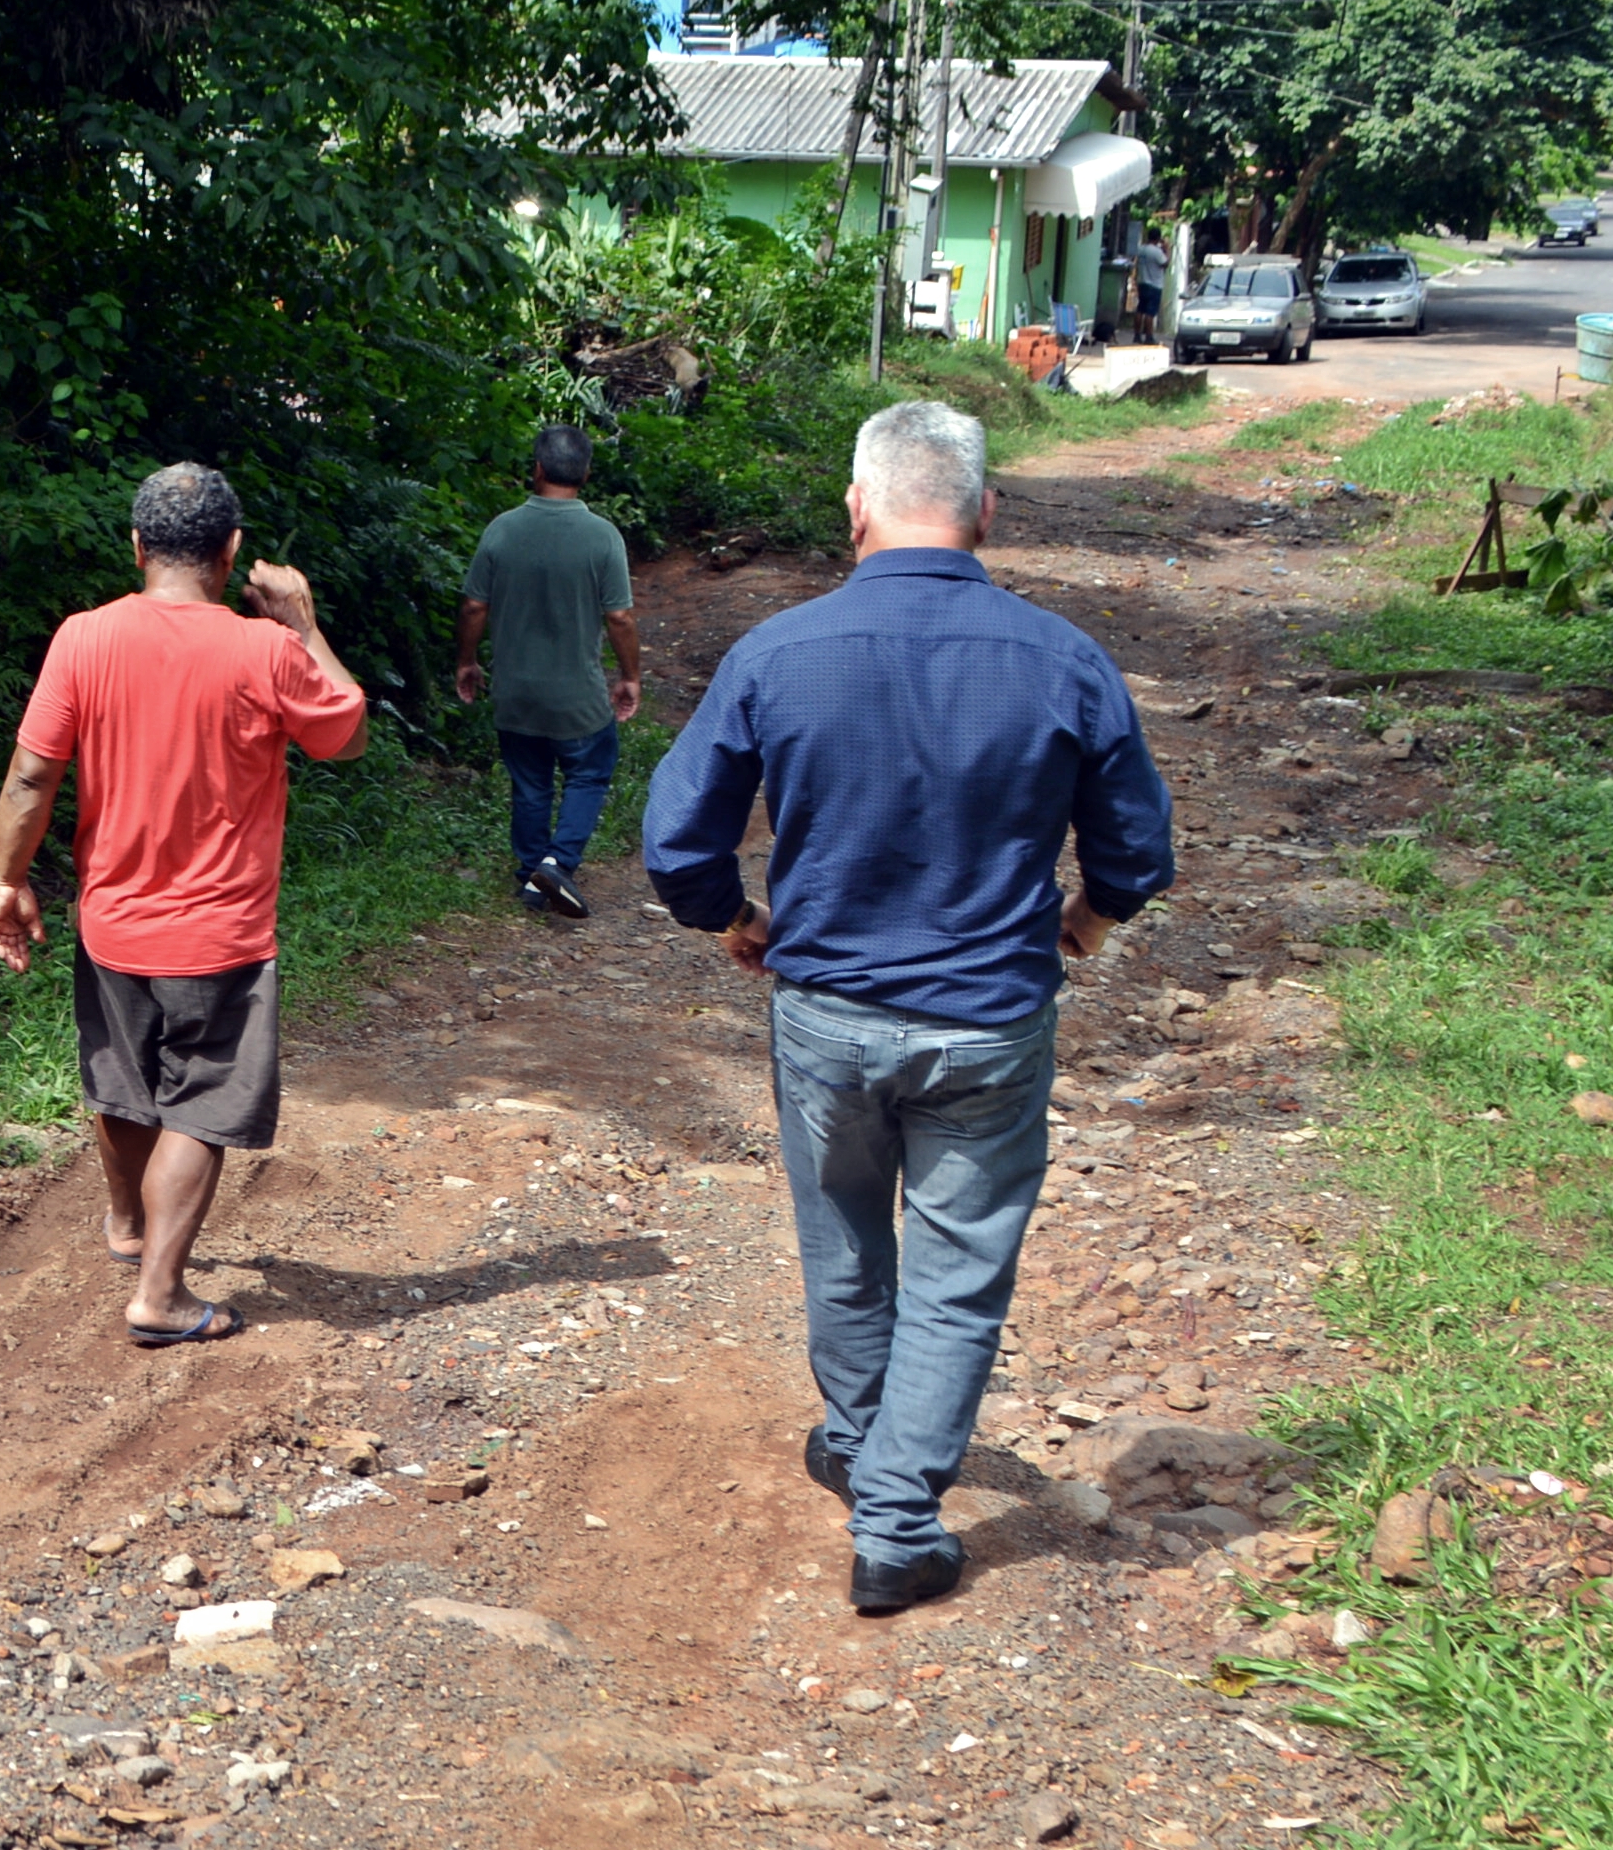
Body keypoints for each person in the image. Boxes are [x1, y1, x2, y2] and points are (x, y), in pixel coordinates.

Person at [641, 401, 1174, 1614]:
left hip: (826, 1011)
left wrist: (728, 914)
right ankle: (893, 1512)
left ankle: (859, 1445)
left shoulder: (778, 652)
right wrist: (1083, 923)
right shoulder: (1062, 657)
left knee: (842, 1238)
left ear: (854, 507)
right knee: (954, 1267)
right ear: (986, 513)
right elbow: (1135, 845)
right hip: (989, 1019)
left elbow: (678, 836)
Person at [0, 463, 369, 1346]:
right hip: (220, 931)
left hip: (111, 919)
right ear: (230, 554)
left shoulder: (82, 637)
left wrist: (9, 880)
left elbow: (33, 773)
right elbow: (344, 733)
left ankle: (126, 1226)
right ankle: (159, 1296)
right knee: (200, 1103)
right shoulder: (264, 650)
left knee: (122, 1081)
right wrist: (303, 625)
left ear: (137, 546)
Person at [454, 423, 641, 919]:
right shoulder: (603, 536)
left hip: (515, 695)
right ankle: (558, 862)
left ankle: (532, 877)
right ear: (586, 473)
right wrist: (630, 676)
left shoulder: (502, 529)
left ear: (536, 469)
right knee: (591, 769)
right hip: (575, 697)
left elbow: (474, 606)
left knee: (530, 782)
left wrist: (467, 661)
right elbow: (619, 617)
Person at [1134, 227, 1169, 334]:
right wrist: (1167, 250)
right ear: (1158, 238)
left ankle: (1137, 334)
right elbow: (1165, 264)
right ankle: (1149, 335)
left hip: (1142, 282)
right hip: (1154, 285)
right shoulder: (1157, 252)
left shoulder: (1141, 249)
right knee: (1150, 313)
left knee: (1140, 309)